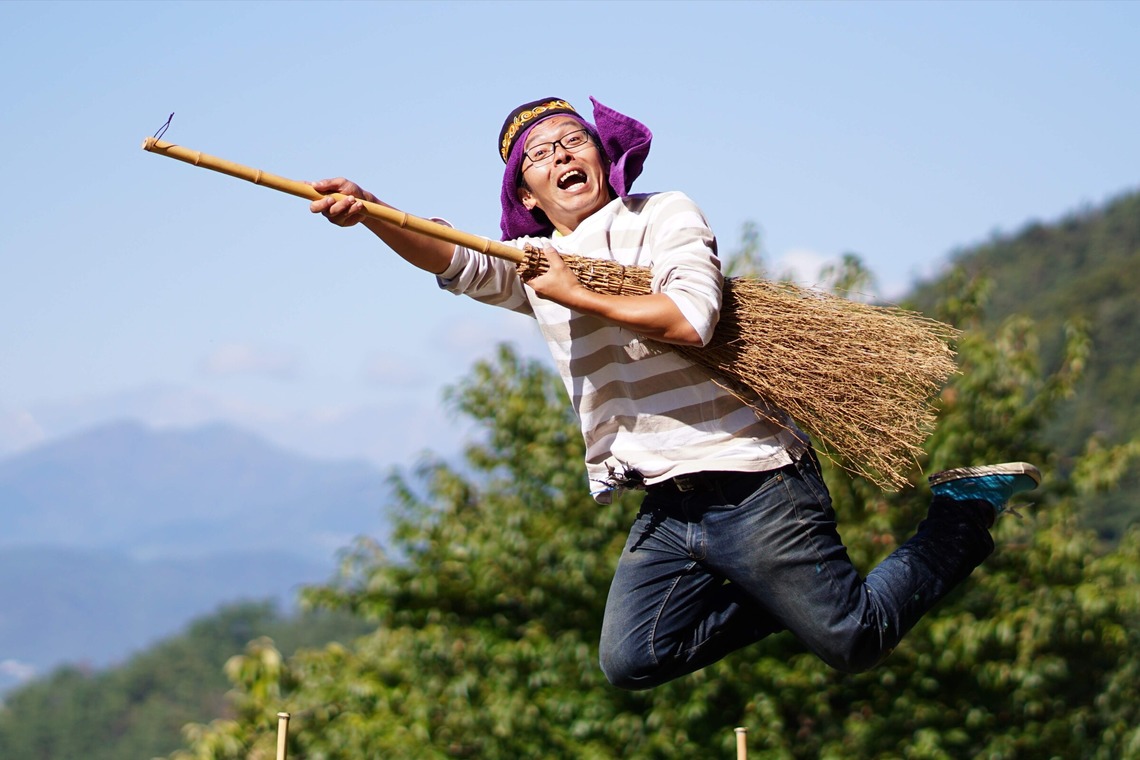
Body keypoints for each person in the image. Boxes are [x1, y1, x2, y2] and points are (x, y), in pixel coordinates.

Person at [308, 97, 1041, 690]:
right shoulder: (534, 263)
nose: (561, 156)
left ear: (603, 156)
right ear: (526, 194)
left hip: (756, 482)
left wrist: (577, 293)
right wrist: (372, 212)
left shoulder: (660, 215)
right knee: (633, 660)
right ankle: (779, 595)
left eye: (573, 142)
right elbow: (454, 257)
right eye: (540, 155)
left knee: (853, 643)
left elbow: (692, 318)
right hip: (668, 503)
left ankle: (961, 514)